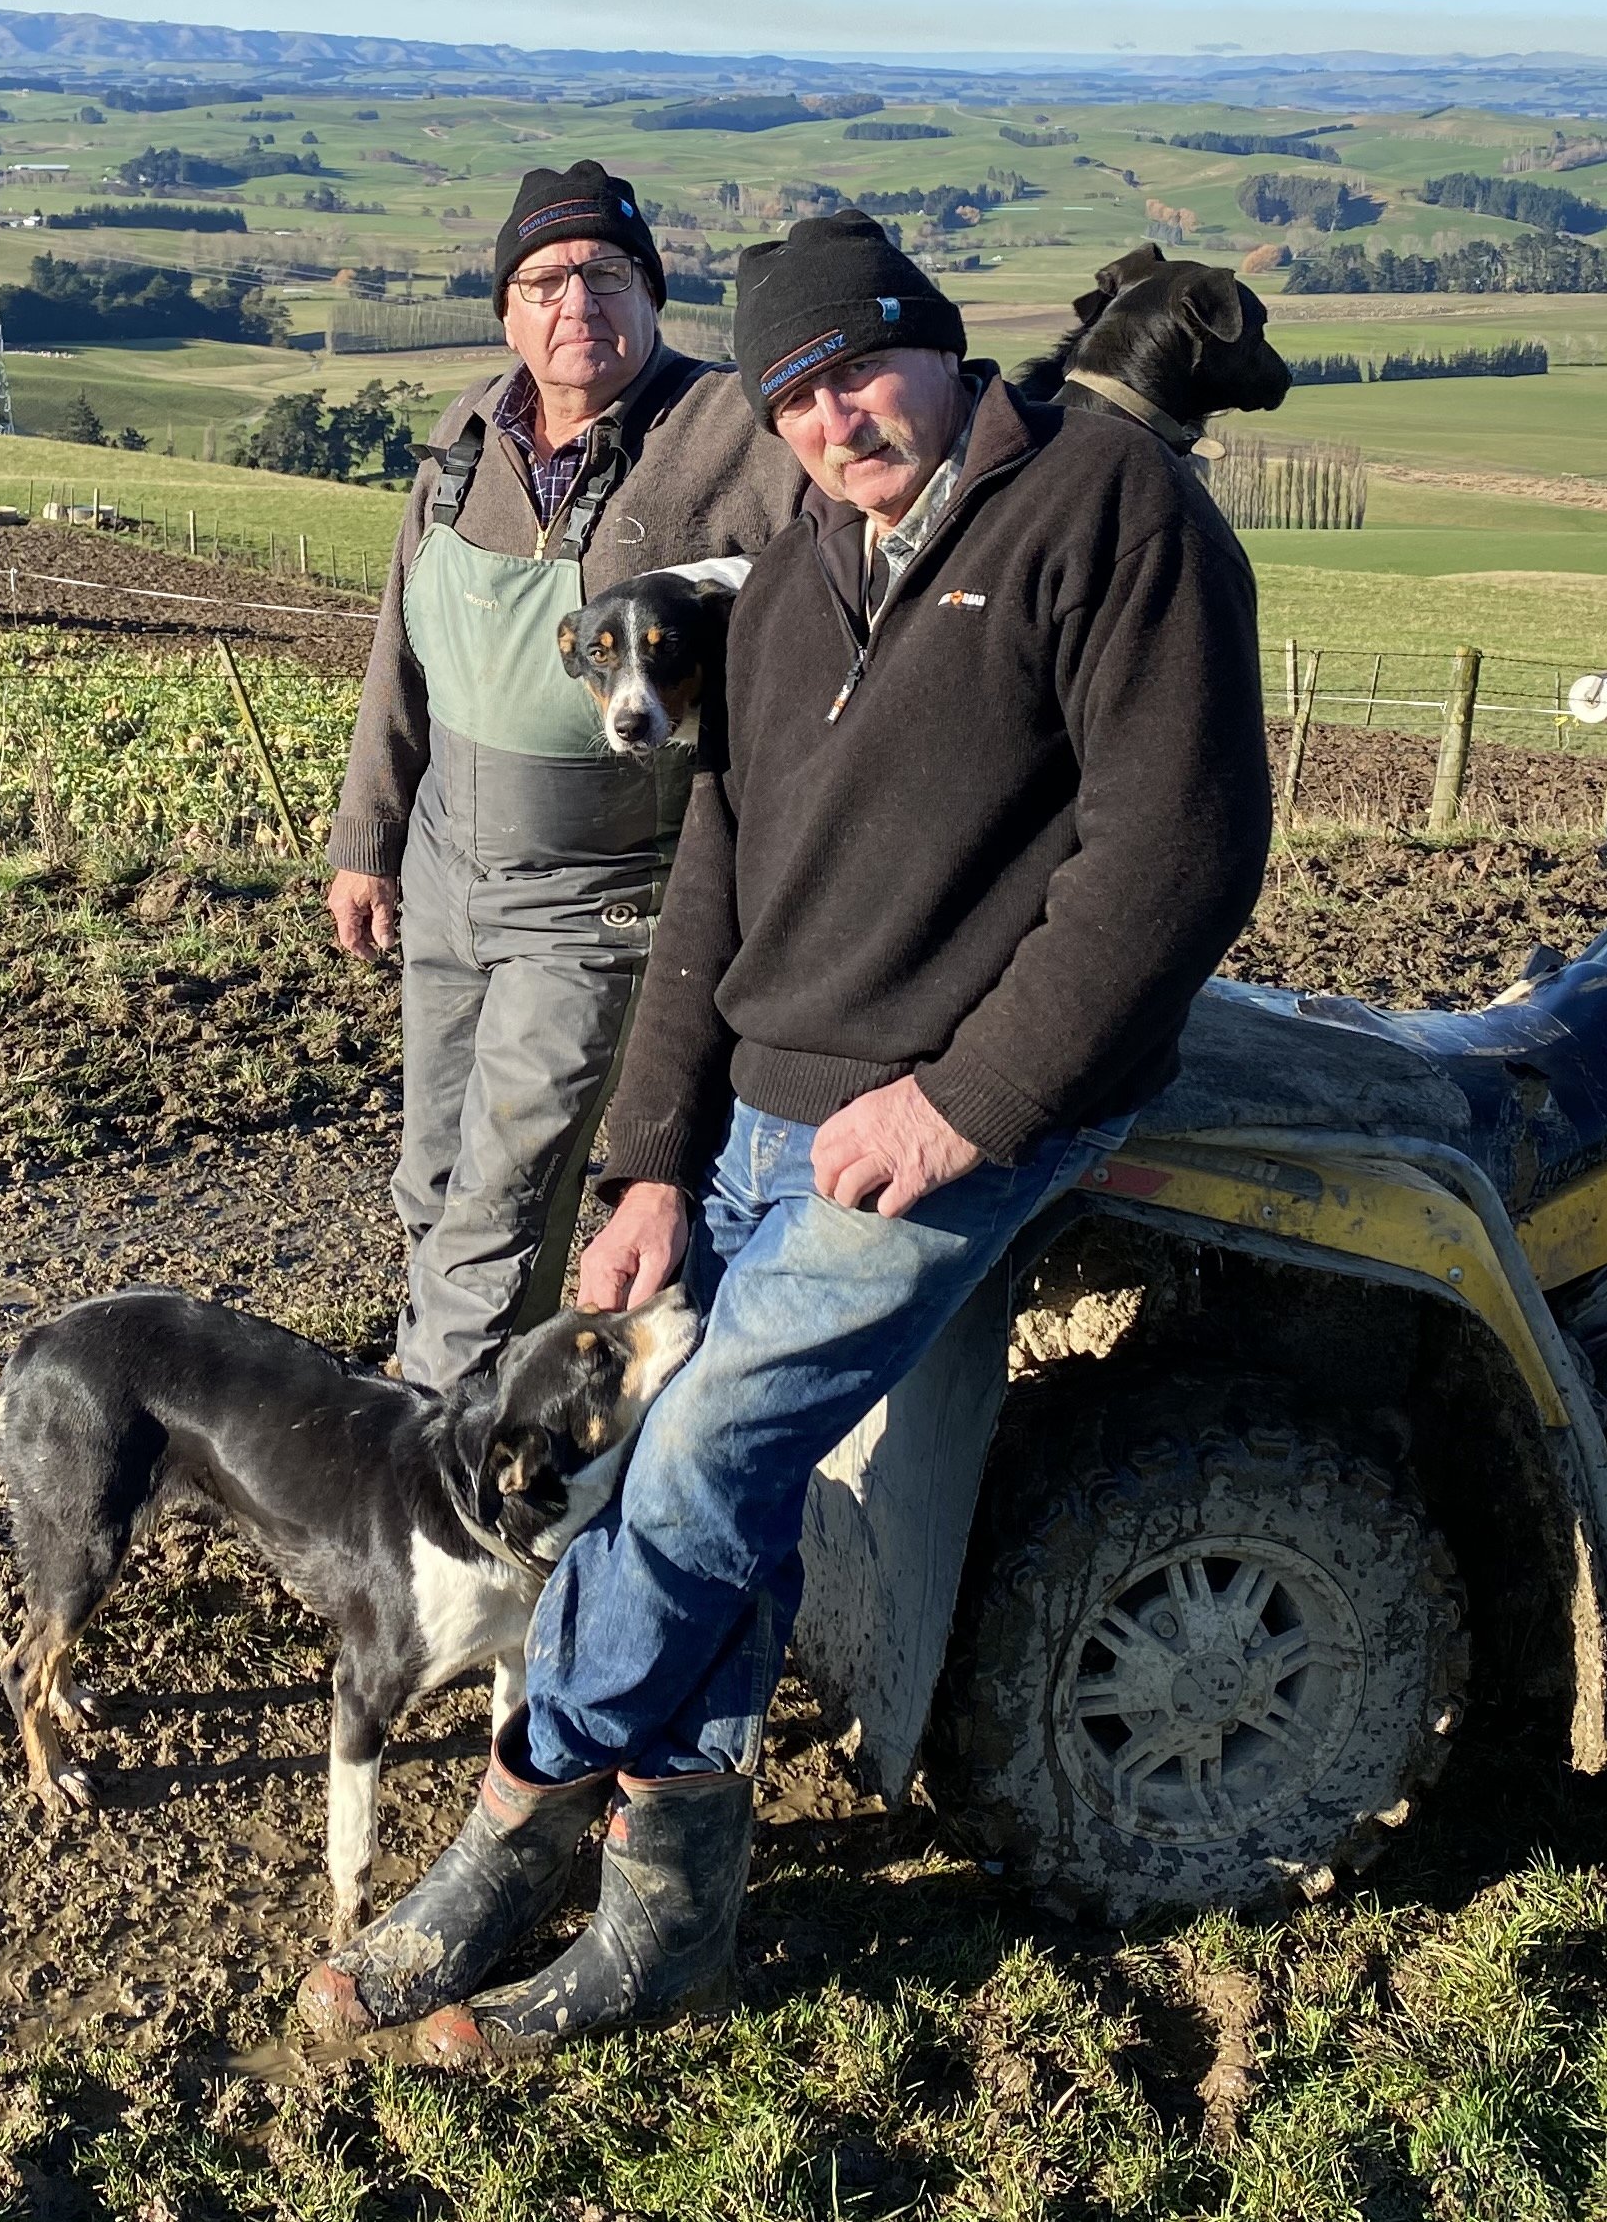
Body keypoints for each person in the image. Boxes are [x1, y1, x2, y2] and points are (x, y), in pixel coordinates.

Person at [300, 208, 1272, 2061]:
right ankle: (676, 1913)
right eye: (796, 393)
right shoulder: (807, 551)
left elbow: (1178, 856)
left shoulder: (1109, 510)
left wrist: (970, 1096)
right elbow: (723, 865)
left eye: (860, 369)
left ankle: (519, 1815)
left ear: (934, 335)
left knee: (692, 1457)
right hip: (761, 1103)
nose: (836, 418)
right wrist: (653, 1150)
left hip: (954, 1108)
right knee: (690, 1478)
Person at [327, 162, 810, 1390]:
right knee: (432, 1171)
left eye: (606, 275)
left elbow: (852, 587)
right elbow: (404, 645)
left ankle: (443, 1474)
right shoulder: (463, 443)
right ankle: (492, 1400)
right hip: (446, 867)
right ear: (506, 310)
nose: (575, 302)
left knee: (506, 1187)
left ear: (651, 293)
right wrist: (367, 838)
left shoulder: (740, 436)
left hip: (603, 893)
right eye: (545, 280)